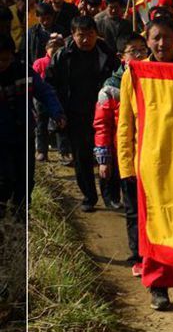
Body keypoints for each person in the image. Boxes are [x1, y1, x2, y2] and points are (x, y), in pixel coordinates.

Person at [117, 18, 173, 310]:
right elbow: (125, 122)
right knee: (153, 225)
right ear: (147, 39)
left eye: (167, 37)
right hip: (151, 161)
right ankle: (157, 285)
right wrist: (126, 164)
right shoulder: (136, 72)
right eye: (155, 38)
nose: (161, 44)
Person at [46, 16, 119, 212]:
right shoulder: (62, 56)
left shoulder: (108, 55)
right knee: (82, 158)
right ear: (73, 35)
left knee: (107, 156)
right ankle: (89, 196)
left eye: (90, 35)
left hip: (103, 114)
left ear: (97, 34)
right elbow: (50, 84)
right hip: (76, 114)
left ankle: (110, 195)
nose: (86, 39)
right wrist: (58, 113)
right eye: (81, 35)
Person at [95, 33, 148, 273]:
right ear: (121, 57)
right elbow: (103, 126)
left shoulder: (153, 78)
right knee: (133, 209)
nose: (139, 55)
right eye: (133, 51)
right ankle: (137, 254)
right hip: (125, 153)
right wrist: (104, 158)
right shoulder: (110, 88)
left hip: (151, 155)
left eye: (142, 50)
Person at [0, 35, 65, 217]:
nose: (2, 64)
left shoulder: (24, 73)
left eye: (5, 59)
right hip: (2, 139)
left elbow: (45, 92)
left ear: (12, 56)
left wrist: (57, 112)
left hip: (24, 134)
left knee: (25, 178)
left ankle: (21, 212)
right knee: (4, 178)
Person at [32, 35, 65, 162]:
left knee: (61, 125)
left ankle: (64, 151)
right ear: (47, 49)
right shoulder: (39, 62)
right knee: (41, 125)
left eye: (58, 47)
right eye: (52, 47)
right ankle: (41, 150)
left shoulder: (63, 62)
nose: (55, 50)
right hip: (41, 99)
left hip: (58, 96)